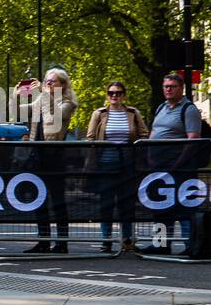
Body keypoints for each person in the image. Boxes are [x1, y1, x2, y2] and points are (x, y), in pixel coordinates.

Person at [143, 72, 204, 255]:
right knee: (160, 207)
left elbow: (193, 139)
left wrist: (178, 162)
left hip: (179, 168)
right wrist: (149, 154)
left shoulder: (189, 109)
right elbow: (154, 132)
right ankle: (161, 244)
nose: (168, 89)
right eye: (165, 86)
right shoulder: (161, 107)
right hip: (159, 167)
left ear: (181, 88)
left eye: (172, 86)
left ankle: (190, 245)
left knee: (184, 207)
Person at [86, 81, 149, 253]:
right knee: (106, 203)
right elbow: (90, 137)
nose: (115, 96)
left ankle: (127, 240)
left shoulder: (133, 113)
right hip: (105, 165)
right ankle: (106, 240)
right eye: (111, 92)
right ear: (107, 95)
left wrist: (136, 151)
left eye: (119, 93)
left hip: (127, 165)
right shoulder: (99, 114)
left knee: (126, 204)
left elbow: (144, 134)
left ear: (124, 95)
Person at [23, 67, 80, 253]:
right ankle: (43, 241)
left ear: (62, 85)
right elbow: (26, 110)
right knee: (38, 198)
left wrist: (43, 93)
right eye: (46, 80)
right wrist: (18, 97)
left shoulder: (67, 102)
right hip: (36, 153)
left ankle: (62, 243)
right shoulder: (42, 98)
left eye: (52, 81)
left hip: (54, 155)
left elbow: (59, 116)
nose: (47, 84)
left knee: (57, 200)